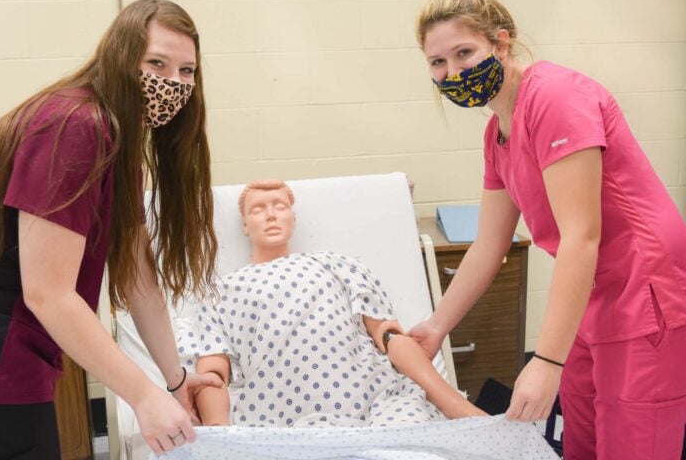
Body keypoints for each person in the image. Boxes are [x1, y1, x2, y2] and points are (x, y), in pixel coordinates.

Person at [408, 0, 686, 459]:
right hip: (591, 292)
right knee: (582, 434)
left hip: (642, 287)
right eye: (438, 62)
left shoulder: (555, 98)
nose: (453, 72)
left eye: (465, 53)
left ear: (501, 42)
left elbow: (582, 235)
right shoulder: (498, 134)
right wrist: (435, 327)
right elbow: (489, 245)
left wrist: (546, 360)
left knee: (632, 440)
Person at [0, 0, 222, 458]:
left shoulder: (119, 138)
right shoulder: (75, 127)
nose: (172, 84)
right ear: (120, 57)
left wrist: (175, 380)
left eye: (186, 72)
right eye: (156, 63)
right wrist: (142, 396)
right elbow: (49, 293)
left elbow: (140, 278)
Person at [193, 179, 486, 427]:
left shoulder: (337, 264)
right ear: (245, 225)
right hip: (275, 424)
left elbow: (389, 334)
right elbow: (213, 371)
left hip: (373, 407)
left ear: (293, 219)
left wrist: (453, 404)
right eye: (258, 210)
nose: (271, 215)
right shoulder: (221, 290)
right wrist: (220, 437)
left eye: (280, 206)